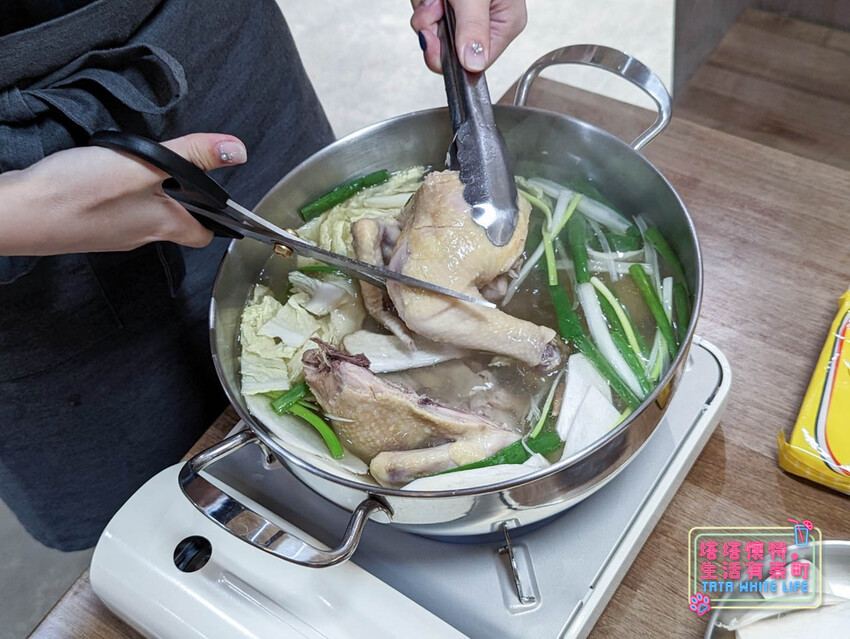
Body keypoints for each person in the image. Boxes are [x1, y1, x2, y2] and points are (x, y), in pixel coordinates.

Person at [0, 0, 527, 551]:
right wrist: (17, 210)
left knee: (300, 239)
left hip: (211, 53)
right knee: (137, 507)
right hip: (26, 233)